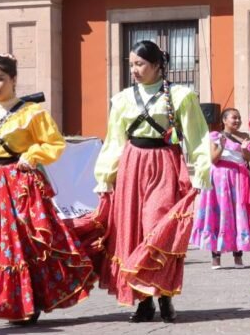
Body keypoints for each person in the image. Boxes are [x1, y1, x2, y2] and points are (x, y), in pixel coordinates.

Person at [0, 55, 95, 324]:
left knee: (27, 242)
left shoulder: (31, 112)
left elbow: (53, 143)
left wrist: (31, 155)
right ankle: (6, 296)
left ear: (13, 80)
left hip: (21, 185)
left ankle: (30, 300)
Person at [91, 39, 211, 323]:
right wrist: (105, 177)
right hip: (132, 165)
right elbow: (114, 141)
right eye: (131, 64)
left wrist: (201, 170)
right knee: (133, 232)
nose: (134, 69)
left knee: (159, 228)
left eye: (140, 64)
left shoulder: (181, 96)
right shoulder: (122, 99)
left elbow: (197, 135)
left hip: (165, 163)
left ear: (157, 65)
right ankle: (143, 302)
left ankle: (165, 295)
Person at [190, 107, 250, 269]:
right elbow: (213, 159)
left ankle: (238, 256)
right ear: (224, 120)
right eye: (233, 118)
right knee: (218, 214)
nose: (237, 120)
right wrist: (221, 146)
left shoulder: (244, 137)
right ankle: (216, 256)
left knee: (238, 213)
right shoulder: (215, 136)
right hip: (219, 179)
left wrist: (244, 149)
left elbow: (248, 158)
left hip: (239, 177)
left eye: (239, 118)